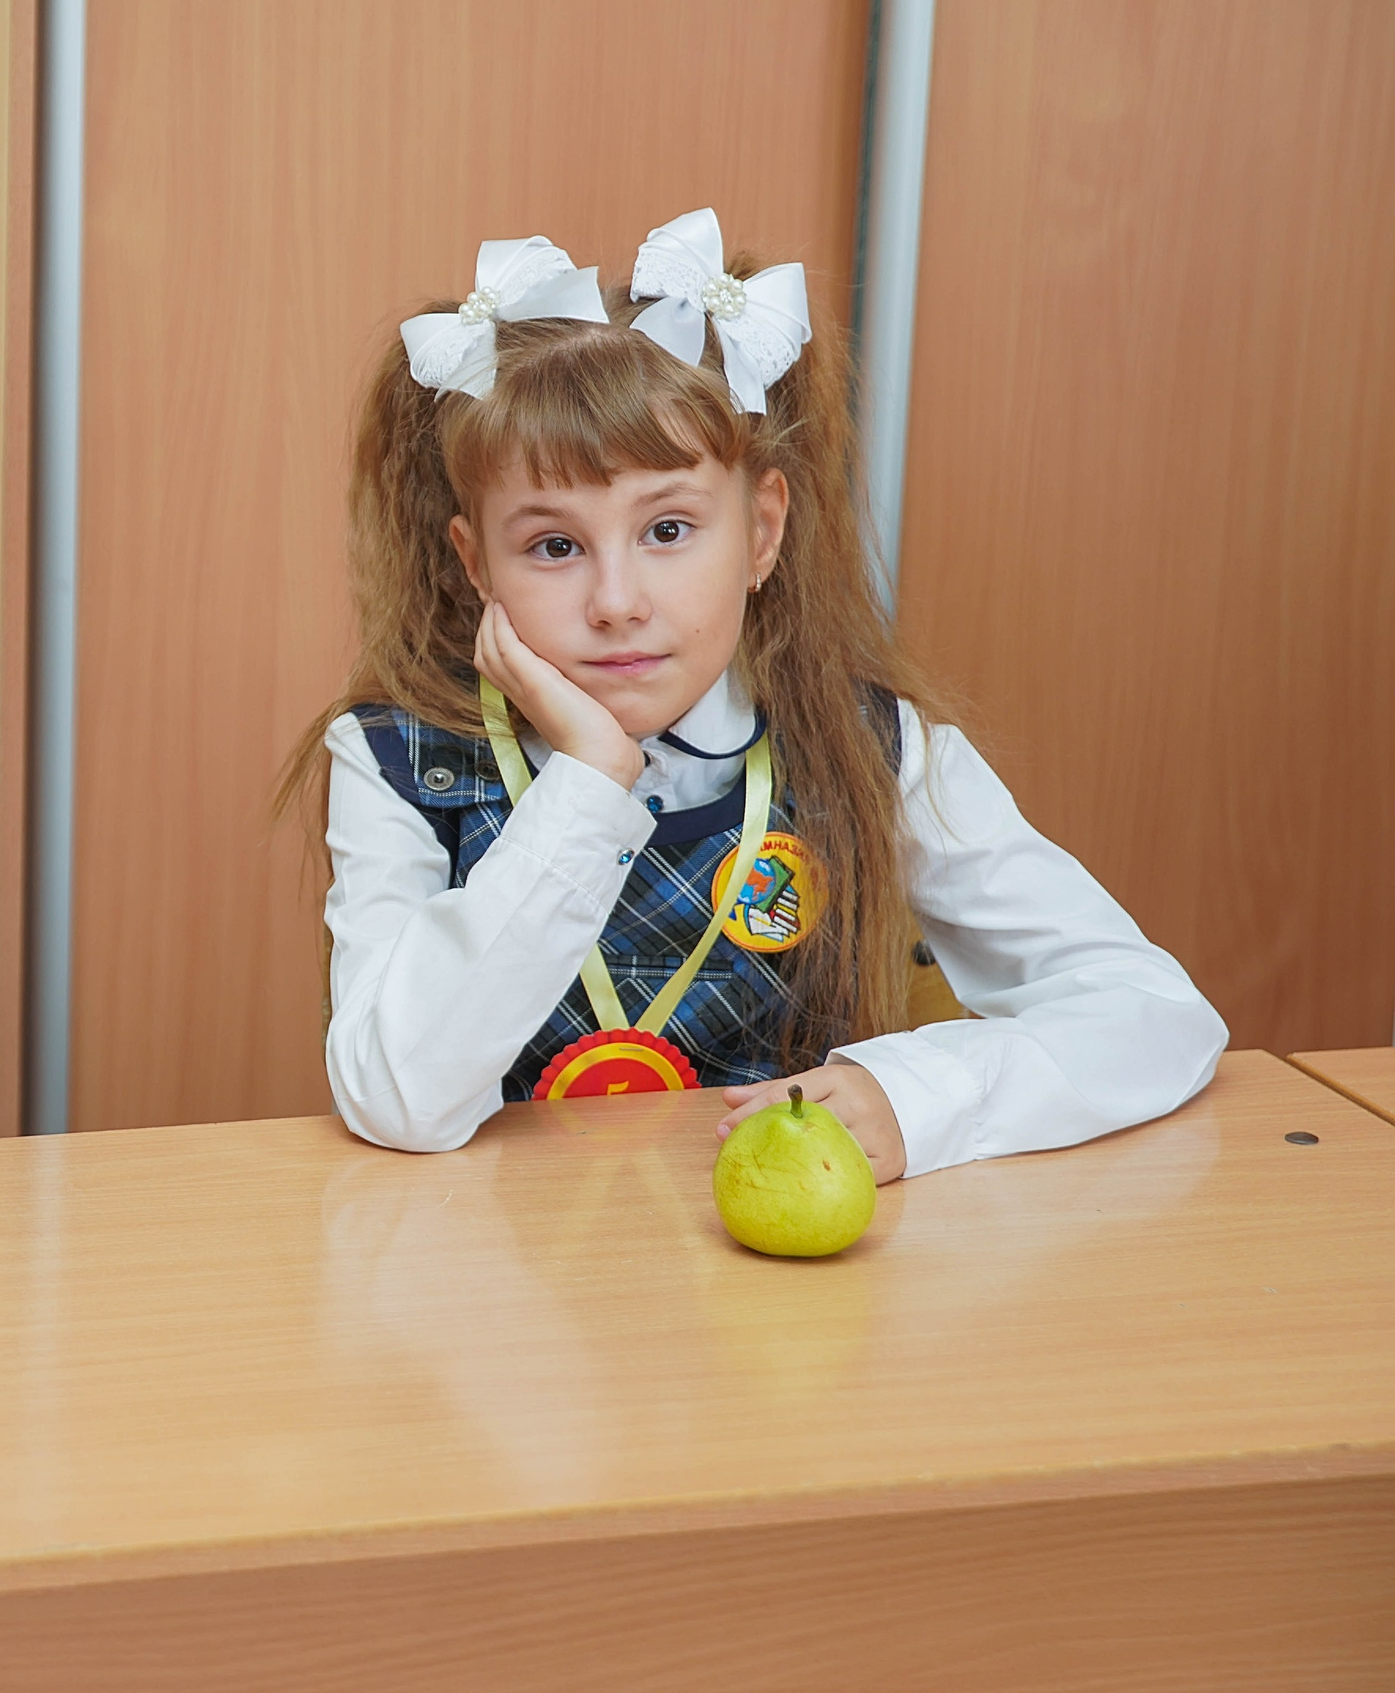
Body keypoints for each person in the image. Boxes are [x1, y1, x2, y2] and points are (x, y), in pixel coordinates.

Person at [296, 210, 1225, 1180]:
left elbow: (1155, 1013)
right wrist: (590, 779)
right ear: (475, 562)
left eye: (667, 530)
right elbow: (394, 1096)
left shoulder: (872, 745)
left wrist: (919, 1096)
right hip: (487, 1266)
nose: (616, 602)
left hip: (789, 1264)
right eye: (554, 545)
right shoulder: (397, 757)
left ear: (762, 532)